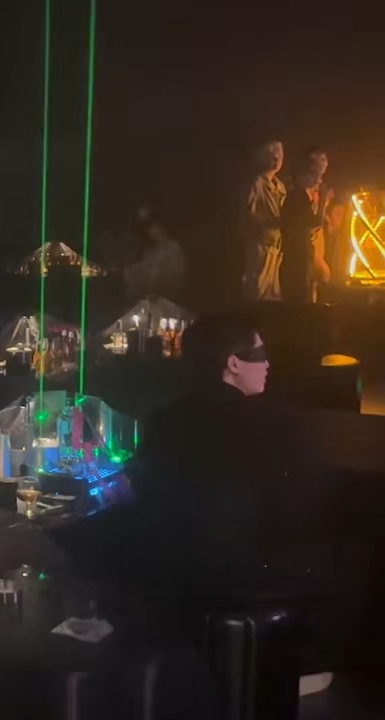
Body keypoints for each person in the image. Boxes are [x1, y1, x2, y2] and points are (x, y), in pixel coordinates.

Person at [135, 315, 351, 691]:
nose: (268, 364)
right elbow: (304, 509)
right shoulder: (278, 423)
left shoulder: (161, 420)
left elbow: (150, 498)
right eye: (260, 354)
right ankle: (304, 670)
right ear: (233, 364)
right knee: (347, 556)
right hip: (246, 577)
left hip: (176, 576)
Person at [281, 148, 334, 304]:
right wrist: (323, 202)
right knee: (303, 296)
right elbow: (313, 222)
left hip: (309, 254)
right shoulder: (298, 196)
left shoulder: (307, 195)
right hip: (301, 256)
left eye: (321, 175)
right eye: (316, 175)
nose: (319, 180)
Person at [243, 140, 287, 301]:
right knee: (258, 290)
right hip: (261, 245)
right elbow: (248, 212)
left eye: (280, 157)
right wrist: (267, 222)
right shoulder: (257, 183)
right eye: (273, 157)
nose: (277, 161)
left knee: (273, 292)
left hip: (277, 245)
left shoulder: (280, 186)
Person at [120, 204, 188, 301]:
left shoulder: (173, 250)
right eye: (144, 226)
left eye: (150, 223)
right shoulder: (148, 252)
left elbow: (171, 287)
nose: (148, 230)